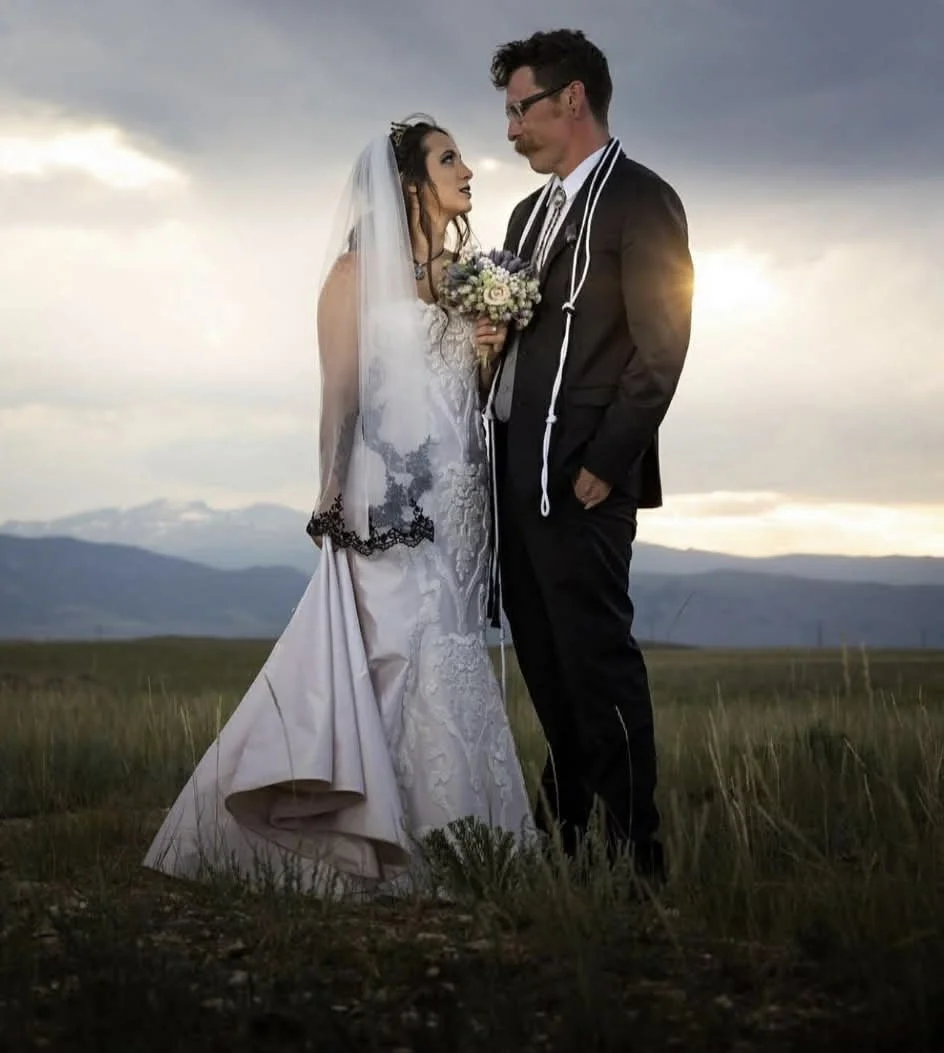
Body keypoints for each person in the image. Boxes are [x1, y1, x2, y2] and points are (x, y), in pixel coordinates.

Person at [143, 115, 535, 898]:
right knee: (394, 649)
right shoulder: (355, 277)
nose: (468, 170)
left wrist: (489, 356)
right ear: (409, 185)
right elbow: (341, 395)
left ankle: (470, 840)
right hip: (387, 497)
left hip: (461, 498)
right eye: (449, 158)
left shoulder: (467, 279)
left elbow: (470, 395)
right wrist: (329, 493)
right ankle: (372, 844)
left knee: (451, 642)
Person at [480, 30, 694, 881]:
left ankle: (637, 856)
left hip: (584, 483)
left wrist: (606, 460)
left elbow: (662, 346)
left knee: (598, 664)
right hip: (514, 478)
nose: (510, 131)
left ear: (572, 99)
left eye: (519, 109)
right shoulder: (525, 217)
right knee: (547, 665)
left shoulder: (643, 200)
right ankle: (568, 836)